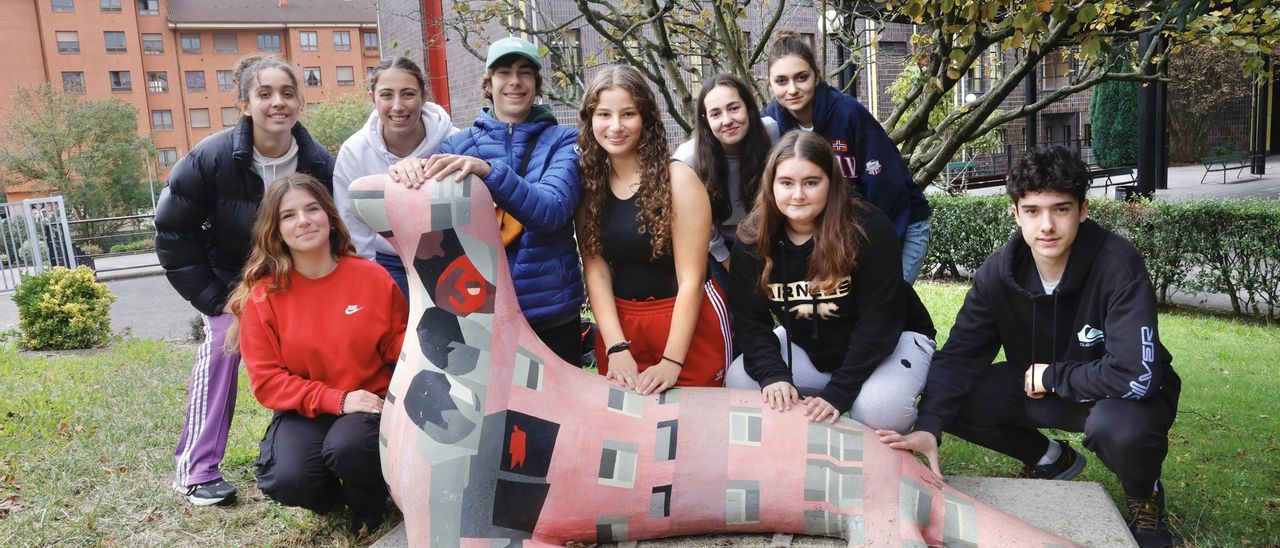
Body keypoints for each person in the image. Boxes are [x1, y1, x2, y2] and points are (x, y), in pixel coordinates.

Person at [880, 147, 1180, 548]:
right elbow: (959, 358)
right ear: (1015, 213)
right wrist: (929, 425)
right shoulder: (999, 273)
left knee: (1121, 430)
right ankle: (1050, 459)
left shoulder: (1118, 265)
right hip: (1040, 389)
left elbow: (1136, 376)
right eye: (1033, 210)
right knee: (953, 393)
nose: (1047, 225)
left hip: (1116, 396)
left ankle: (1145, 494)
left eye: (1061, 209)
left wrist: (1054, 375)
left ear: (1083, 210)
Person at [155, 55, 334, 506]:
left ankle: (319, 455)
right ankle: (196, 470)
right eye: (265, 93)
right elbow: (173, 232)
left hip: (295, 279)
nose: (278, 102)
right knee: (221, 350)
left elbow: (337, 229)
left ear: (300, 102)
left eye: (287, 93)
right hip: (230, 283)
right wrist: (215, 300)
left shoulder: (317, 161)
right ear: (245, 104)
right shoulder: (211, 158)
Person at [227, 174, 406, 536]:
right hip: (306, 407)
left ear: (329, 216)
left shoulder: (371, 277)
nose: (304, 220)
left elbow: (401, 348)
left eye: (312, 209)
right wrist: (336, 400)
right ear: (275, 232)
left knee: (349, 448)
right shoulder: (264, 297)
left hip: (369, 402)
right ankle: (336, 501)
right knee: (286, 478)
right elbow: (267, 382)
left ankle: (369, 503)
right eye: (289, 215)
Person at [388, 37, 584, 366]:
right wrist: (407, 168)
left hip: (550, 313)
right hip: (480, 316)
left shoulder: (564, 141)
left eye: (525, 73)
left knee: (558, 416)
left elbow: (552, 210)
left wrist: (490, 172)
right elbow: (426, 221)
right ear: (488, 83)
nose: (515, 81)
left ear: (536, 84)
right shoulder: (457, 146)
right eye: (504, 72)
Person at [726, 131, 935, 429]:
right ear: (771, 185)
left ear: (831, 183)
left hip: (892, 342)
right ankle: (790, 458)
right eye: (786, 183)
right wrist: (774, 375)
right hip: (813, 347)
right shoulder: (752, 238)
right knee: (741, 382)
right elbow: (750, 321)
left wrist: (839, 392)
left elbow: (879, 321)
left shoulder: (868, 228)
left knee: (879, 410)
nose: (798, 194)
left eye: (811, 182)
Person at [577, 65, 729, 395]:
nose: (615, 126)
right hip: (622, 325)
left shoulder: (679, 181)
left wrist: (672, 361)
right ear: (590, 120)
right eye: (604, 114)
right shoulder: (590, 185)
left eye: (628, 114)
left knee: (695, 433)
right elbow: (596, 268)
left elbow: (692, 280)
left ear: (645, 117)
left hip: (686, 322)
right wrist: (616, 347)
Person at [762, 33, 933, 284]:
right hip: (841, 236)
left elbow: (886, 188)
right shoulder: (772, 125)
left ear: (817, 75)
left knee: (888, 307)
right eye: (781, 81)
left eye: (801, 77)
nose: (792, 89)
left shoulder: (848, 114)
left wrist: (878, 252)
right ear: (770, 85)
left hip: (899, 224)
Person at [333, 57, 458, 296]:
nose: (398, 106)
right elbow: (353, 230)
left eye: (408, 94)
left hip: (449, 259)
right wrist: (368, 286)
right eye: (387, 95)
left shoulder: (454, 142)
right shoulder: (354, 153)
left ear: (425, 95)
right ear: (372, 98)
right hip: (387, 262)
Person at [673, 73, 780, 282]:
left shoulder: (772, 133)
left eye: (733, 108)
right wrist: (730, 264)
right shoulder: (688, 162)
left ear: (749, 108)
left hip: (767, 236)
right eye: (715, 114)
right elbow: (702, 228)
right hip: (715, 246)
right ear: (705, 119)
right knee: (735, 304)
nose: (727, 120)